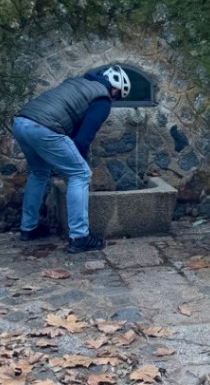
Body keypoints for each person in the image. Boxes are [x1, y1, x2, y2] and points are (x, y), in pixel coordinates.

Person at [12, 65, 131, 253]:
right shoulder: (102, 100)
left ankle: (29, 228)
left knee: (39, 172)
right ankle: (80, 237)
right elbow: (83, 139)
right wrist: (80, 165)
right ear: (115, 90)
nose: (114, 100)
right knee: (80, 174)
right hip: (43, 127)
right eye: (117, 97)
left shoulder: (78, 82)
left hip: (21, 122)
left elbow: (72, 131)